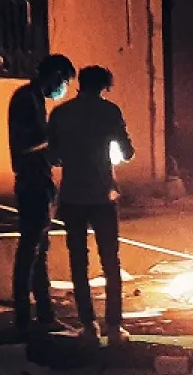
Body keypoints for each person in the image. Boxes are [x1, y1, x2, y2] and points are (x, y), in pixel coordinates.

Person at [47, 65, 136, 345]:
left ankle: (88, 325)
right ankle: (114, 326)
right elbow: (128, 152)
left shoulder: (60, 114)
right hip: (102, 196)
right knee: (111, 262)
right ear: (104, 87)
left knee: (78, 262)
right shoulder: (110, 112)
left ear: (80, 85)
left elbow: (53, 157)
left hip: (73, 196)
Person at [7, 54, 74, 337]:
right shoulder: (26, 99)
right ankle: (25, 318)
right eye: (64, 82)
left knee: (38, 251)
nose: (63, 89)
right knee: (31, 251)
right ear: (55, 75)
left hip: (39, 182)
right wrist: (58, 137)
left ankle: (44, 315)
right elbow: (27, 143)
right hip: (32, 184)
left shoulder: (33, 99)